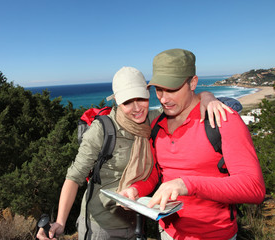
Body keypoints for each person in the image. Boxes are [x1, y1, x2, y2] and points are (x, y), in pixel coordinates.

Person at [37, 66, 231, 240]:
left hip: (137, 224)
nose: (137, 108)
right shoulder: (103, 129)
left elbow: (186, 104)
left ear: (148, 94)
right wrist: (61, 222)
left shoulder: (154, 120)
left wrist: (207, 96)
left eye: (141, 98)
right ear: (117, 102)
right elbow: (74, 177)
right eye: (128, 102)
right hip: (101, 227)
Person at [120, 49, 266, 240]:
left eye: (172, 89)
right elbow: (156, 173)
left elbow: (254, 188)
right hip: (168, 233)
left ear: (193, 83)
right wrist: (136, 190)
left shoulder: (222, 120)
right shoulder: (157, 126)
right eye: (159, 89)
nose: (163, 99)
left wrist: (187, 184)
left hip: (215, 235)